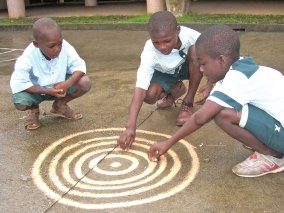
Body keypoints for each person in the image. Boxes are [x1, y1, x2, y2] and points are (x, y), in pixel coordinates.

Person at [148, 24, 284, 178]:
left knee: (222, 114)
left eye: (203, 64)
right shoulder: (241, 66)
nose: (200, 69)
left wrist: (168, 143)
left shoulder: (236, 79)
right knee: (230, 107)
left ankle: (273, 155)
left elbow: (200, 118)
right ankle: (266, 142)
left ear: (221, 60)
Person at [117, 11, 212, 150]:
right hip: (165, 72)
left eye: (167, 41)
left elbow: (214, 58)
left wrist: (210, 83)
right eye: (156, 42)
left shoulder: (192, 36)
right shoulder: (149, 51)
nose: (162, 47)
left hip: (188, 67)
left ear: (177, 30)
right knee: (149, 96)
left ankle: (188, 103)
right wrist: (130, 127)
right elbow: (140, 90)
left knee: (195, 51)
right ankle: (174, 90)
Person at [10, 17, 91, 130]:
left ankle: (60, 105)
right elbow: (20, 83)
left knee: (85, 82)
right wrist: (47, 90)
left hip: (60, 87)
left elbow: (80, 66)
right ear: (36, 44)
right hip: (37, 90)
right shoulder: (27, 57)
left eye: (60, 44)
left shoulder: (65, 47)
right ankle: (33, 110)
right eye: (51, 46)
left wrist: (68, 83)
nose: (57, 49)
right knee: (20, 101)